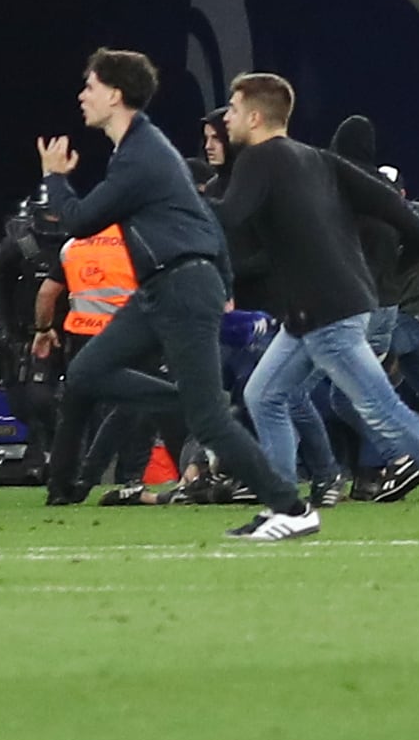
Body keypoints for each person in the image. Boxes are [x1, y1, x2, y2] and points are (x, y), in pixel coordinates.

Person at [215, 70, 419, 541]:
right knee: (263, 396)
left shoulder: (260, 159)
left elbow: (229, 218)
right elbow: (389, 202)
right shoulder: (317, 158)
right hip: (321, 309)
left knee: (383, 409)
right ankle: (287, 507)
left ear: (255, 115)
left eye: (232, 107)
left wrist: (173, 207)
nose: (227, 116)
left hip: (326, 311)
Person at [28, 49, 310, 524]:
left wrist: (54, 179)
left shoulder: (141, 155)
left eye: (90, 87)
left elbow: (79, 220)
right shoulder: (143, 147)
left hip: (180, 286)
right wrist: (222, 279)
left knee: (210, 424)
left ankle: (291, 507)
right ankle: (181, 408)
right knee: (85, 374)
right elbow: (204, 219)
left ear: (115, 95)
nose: (82, 95)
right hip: (162, 287)